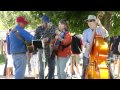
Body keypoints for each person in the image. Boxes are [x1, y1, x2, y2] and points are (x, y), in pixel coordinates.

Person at [82, 15, 109, 79]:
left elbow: (105, 34)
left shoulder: (100, 29)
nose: (89, 22)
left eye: (91, 21)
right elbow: (84, 42)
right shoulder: (85, 31)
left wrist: (100, 24)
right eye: (88, 21)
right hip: (87, 55)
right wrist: (86, 44)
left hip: (97, 58)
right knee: (84, 73)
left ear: (95, 21)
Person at [34, 14, 56, 79]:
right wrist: (42, 40)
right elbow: (35, 40)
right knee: (42, 68)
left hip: (52, 50)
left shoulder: (52, 28)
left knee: (52, 67)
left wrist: (49, 39)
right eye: (45, 22)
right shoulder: (38, 29)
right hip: (42, 50)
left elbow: (55, 37)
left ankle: (50, 77)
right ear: (42, 22)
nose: (46, 24)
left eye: (47, 22)